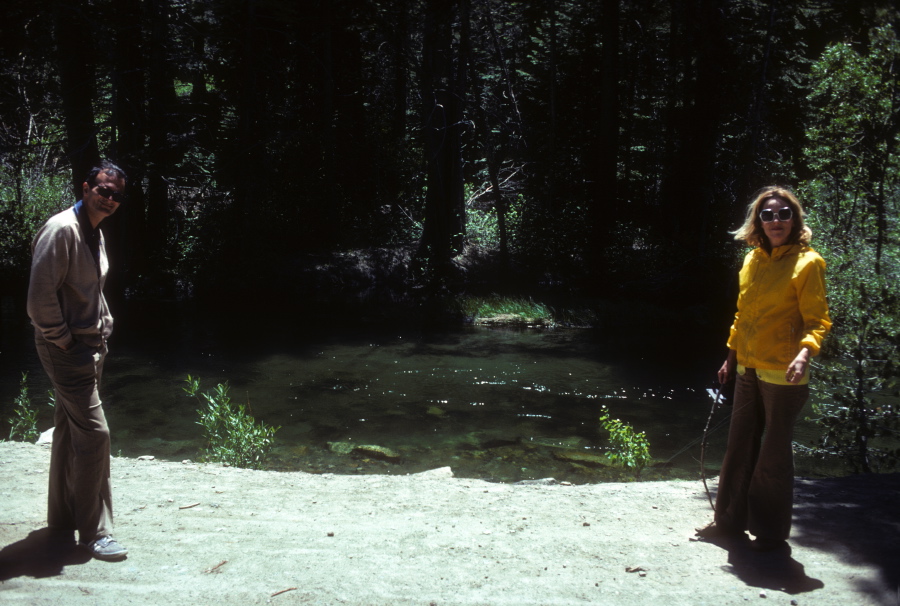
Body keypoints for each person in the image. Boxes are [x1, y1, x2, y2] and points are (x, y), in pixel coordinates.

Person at [707, 186, 831, 552]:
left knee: (773, 454)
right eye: (767, 214)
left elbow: (818, 320)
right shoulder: (752, 260)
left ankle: (770, 533)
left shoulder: (809, 263)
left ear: (795, 219)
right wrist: (731, 357)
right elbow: (743, 315)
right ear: (757, 221)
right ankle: (728, 522)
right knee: (739, 445)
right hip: (748, 368)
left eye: (783, 214)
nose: (776, 221)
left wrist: (804, 354)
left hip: (784, 374)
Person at [26, 160, 129, 561]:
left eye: (116, 195)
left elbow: (89, 289)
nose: (109, 199)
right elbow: (38, 300)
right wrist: (65, 341)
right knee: (95, 435)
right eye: (103, 190)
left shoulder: (93, 231)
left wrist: (100, 330)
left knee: (69, 429)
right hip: (68, 351)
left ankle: (60, 520)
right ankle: (93, 532)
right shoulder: (62, 230)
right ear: (86, 187)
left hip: (89, 347)